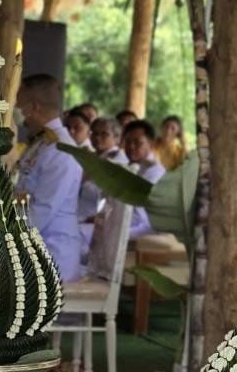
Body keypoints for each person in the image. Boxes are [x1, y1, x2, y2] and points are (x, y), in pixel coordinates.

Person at [14, 73, 85, 281]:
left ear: (34, 107)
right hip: (33, 249)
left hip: (50, 255)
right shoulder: (41, 144)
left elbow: (39, 213)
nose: (16, 113)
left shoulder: (62, 151)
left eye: (19, 105)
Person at [86, 119, 166, 280]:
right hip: (128, 220)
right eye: (128, 141)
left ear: (150, 144)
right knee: (96, 232)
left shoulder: (154, 171)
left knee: (102, 236)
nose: (131, 147)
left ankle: (109, 283)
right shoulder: (130, 166)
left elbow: (137, 210)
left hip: (146, 225)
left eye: (137, 143)